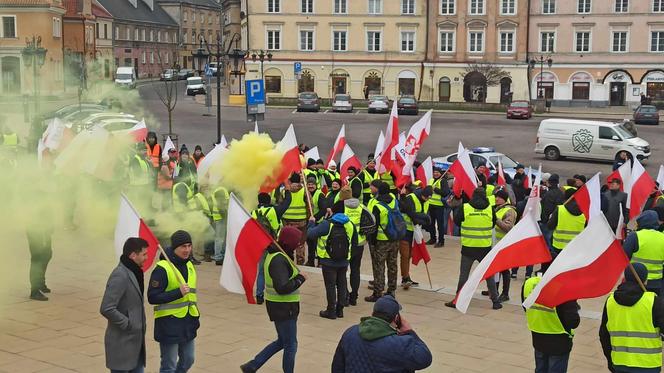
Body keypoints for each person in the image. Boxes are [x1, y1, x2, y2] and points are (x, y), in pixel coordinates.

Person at [241, 227, 307, 373]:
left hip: (279, 307)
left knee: (282, 341)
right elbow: (282, 287)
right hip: (284, 308)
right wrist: (300, 278)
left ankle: (253, 365)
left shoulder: (277, 254)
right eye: (297, 242)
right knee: (291, 344)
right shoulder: (279, 259)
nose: (299, 244)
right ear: (289, 242)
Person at [331, 295, 433, 373]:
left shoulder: (350, 333)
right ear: (396, 319)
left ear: (373, 314)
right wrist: (410, 332)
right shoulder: (400, 344)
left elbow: (337, 367)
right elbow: (425, 359)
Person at [148, 230, 200, 373]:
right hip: (168, 323)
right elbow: (152, 297)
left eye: (189, 246)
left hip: (188, 321)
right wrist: (178, 293)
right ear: (174, 248)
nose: (187, 250)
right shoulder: (162, 269)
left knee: (189, 359)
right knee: (168, 365)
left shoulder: (189, 265)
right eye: (183, 246)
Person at [600, 262, 664, 373]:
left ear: (625, 278)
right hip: (649, 365)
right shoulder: (654, 302)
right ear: (645, 280)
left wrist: (610, 361)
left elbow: (603, 335)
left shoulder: (610, 301)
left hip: (620, 364)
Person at [446, 188, 501, 310]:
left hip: (468, 247)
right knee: (489, 275)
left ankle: (457, 300)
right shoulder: (490, 209)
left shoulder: (465, 207)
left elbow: (457, 222)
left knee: (464, 275)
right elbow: (492, 224)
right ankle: (496, 301)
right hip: (484, 247)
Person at [100, 238, 149, 373]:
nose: (147, 257)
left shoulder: (135, 272)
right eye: (144, 254)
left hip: (136, 344)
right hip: (122, 344)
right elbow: (106, 308)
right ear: (133, 255)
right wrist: (128, 324)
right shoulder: (120, 275)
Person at [307, 202, 357, 319]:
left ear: (333, 211)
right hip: (344, 260)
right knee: (342, 284)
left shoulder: (327, 224)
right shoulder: (350, 224)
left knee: (330, 286)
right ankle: (340, 310)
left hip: (328, 260)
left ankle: (331, 310)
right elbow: (354, 243)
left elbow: (310, 234)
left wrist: (311, 222)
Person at [522, 275, 580, 373]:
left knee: (540, 368)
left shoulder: (529, 282)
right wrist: (573, 302)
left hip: (537, 337)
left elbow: (525, 306)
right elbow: (573, 322)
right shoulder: (564, 287)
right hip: (558, 340)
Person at [253, 191, 293, 304]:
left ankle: (259, 295)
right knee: (278, 268)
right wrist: (287, 191)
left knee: (261, 270)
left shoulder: (253, 212)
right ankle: (278, 290)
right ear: (268, 200)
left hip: (260, 244)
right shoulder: (274, 210)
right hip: (275, 244)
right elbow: (287, 203)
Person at [366, 182, 400, 302]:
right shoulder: (394, 200)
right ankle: (391, 291)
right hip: (395, 239)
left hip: (381, 241)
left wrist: (372, 242)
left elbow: (374, 227)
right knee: (392, 265)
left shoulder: (378, 206)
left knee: (379, 266)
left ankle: (377, 292)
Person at [623, 210, 664, 296]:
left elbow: (624, 257)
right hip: (656, 282)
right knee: (653, 306)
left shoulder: (634, 236)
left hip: (635, 280)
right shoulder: (662, 237)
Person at [399, 186, 432, 288]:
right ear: (422, 194)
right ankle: (405, 278)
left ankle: (407, 276)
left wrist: (422, 219)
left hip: (415, 230)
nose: (426, 200)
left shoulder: (426, 201)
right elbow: (411, 214)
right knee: (405, 255)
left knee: (409, 255)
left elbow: (424, 218)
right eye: (425, 197)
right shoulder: (411, 198)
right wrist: (424, 218)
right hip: (405, 230)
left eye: (428, 198)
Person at [547, 188, 587, 262]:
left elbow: (550, 226)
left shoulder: (560, 209)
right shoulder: (585, 211)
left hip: (558, 246)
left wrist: (551, 218)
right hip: (575, 247)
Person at [281, 173, 310, 265]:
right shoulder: (304, 190)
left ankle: (288, 261)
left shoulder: (284, 191)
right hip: (301, 221)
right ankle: (300, 263)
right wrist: (309, 217)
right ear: (299, 180)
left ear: (290, 180)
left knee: (287, 241)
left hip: (287, 220)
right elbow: (310, 206)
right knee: (300, 243)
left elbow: (280, 204)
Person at [493, 190, 516, 301]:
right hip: (495, 244)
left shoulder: (510, 211)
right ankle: (494, 290)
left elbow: (508, 227)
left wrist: (496, 220)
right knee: (494, 268)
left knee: (504, 270)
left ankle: (505, 293)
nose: (496, 199)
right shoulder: (497, 208)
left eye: (499, 197)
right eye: (496, 196)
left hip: (504, 245)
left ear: (504, 199)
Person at [305, 176, 327, 267]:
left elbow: (323, 209)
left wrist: (315, 218)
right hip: (309, 222)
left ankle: (320, 262)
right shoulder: (305, 194)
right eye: (309, 184)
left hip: (318, 223)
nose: (310, 186)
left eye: (312, 184)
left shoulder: (320, 194)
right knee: (310, 243)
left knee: (318, 244)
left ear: (316, 185)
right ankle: (310, 261)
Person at [427, 168, 451, 247]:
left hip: (439, 206)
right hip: (430, 205)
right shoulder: (431, 180)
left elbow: (445, 193)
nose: (435, 173)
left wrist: (436, 189)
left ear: (440, 173)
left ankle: (441, 241)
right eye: (434, 172)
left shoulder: (442, 181)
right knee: (431, 223)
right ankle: (432, 238)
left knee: (440, 225)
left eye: (437, 172)